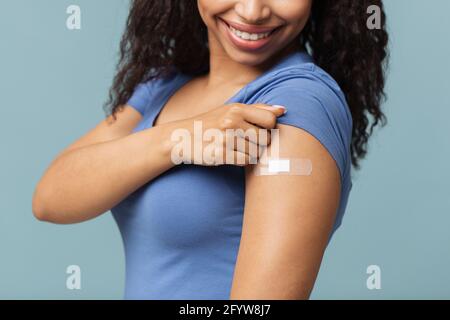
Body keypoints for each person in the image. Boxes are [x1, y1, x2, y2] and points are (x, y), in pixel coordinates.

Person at [32, 0, 389, 299]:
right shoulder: (165, 85)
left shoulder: (297, 103)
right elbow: (50, 198)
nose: (252, 12)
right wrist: (183, 138)